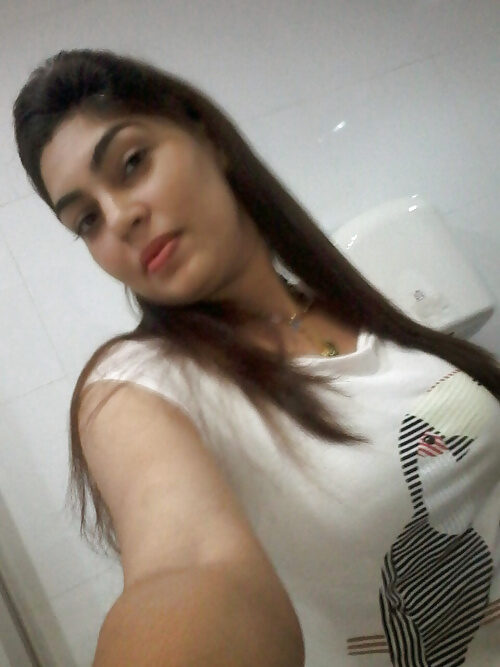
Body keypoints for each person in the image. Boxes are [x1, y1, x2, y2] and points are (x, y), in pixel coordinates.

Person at [13, 49, 499, 667]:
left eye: (131, 163)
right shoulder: (137, 386)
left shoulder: (353, 307)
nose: (120, 217)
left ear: (206, 138)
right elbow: (186, 568)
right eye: (86, 220)